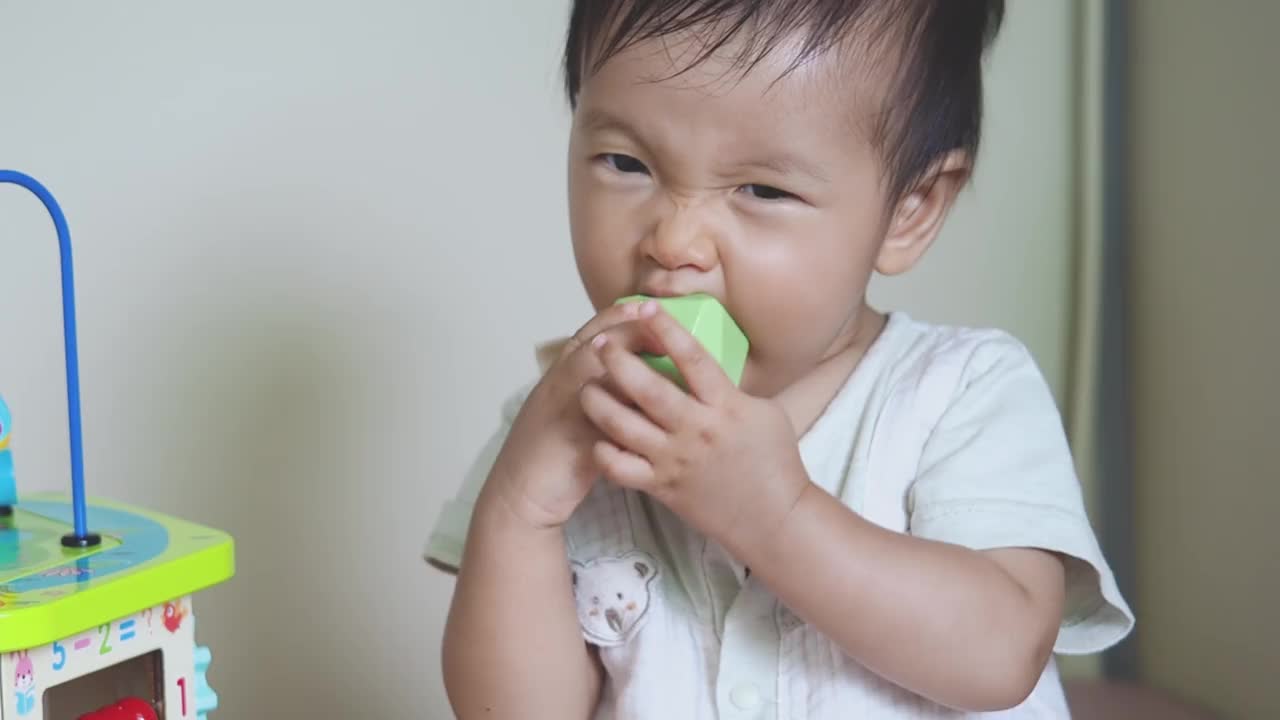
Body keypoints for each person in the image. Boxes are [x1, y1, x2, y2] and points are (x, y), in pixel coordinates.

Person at [426, 2, 1133, 717]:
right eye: (626, 163)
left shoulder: (961, 390)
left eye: (763, 190)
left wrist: (775, 515)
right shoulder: (559, 426)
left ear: (910, 209)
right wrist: (521, 511)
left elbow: (1002, 652)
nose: (674, 241)